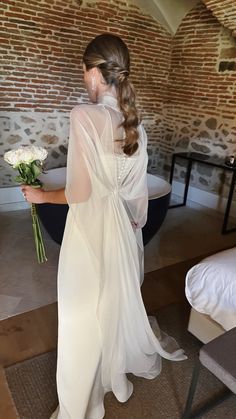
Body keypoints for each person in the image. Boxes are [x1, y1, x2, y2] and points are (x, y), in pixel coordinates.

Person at [22, 33, 186, 419]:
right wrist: (130, 227)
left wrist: (41, 197)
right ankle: (112, 377)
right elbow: (135, 192)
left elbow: (80, 192)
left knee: (80, 313)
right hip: (119, 227)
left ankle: (79, 405)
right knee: (107, 305)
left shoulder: (85, 115)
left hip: (90, 228)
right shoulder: (134, 124)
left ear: (94, 71)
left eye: (83, 70)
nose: (83, 78)